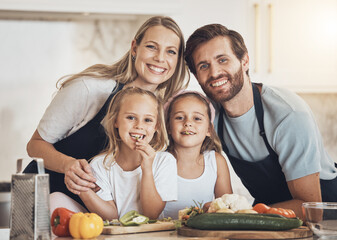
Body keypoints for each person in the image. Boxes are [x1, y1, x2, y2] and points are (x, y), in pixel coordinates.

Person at [24, 16, 189, 208]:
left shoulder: (162, 110)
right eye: (151, 47)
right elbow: (35, 145)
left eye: (171, 51)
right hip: (43, 201)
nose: (160, 58)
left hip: (96, 213)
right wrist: (67, 165)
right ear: (134, 48)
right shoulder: (91, 89)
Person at [184, 23, 337, 219]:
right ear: (196, 76)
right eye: (203, 66)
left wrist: (241, 213)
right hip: (269, 216)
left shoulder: (288, 115)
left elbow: (310, 209)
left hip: (326, 221)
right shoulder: (210, 115)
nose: (214, 73)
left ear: (245, 61)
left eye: (222, 60)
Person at [54, 87, 177, 220]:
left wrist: (147, 170)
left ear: (156, 126)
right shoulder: (100, 164)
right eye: (131, 117)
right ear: (115, 121)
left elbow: (151, 215)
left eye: (147, 120)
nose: (139, 126)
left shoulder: (164, 161)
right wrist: (83, 189)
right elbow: (111, 216)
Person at [163, 91, 232, 219]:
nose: (188, 123)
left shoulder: (216, 162)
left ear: (209, 130)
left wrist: (211, 210)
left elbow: (227, 209)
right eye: (179, 117)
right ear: (168, 127)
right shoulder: (159, 162)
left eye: (197, 118)